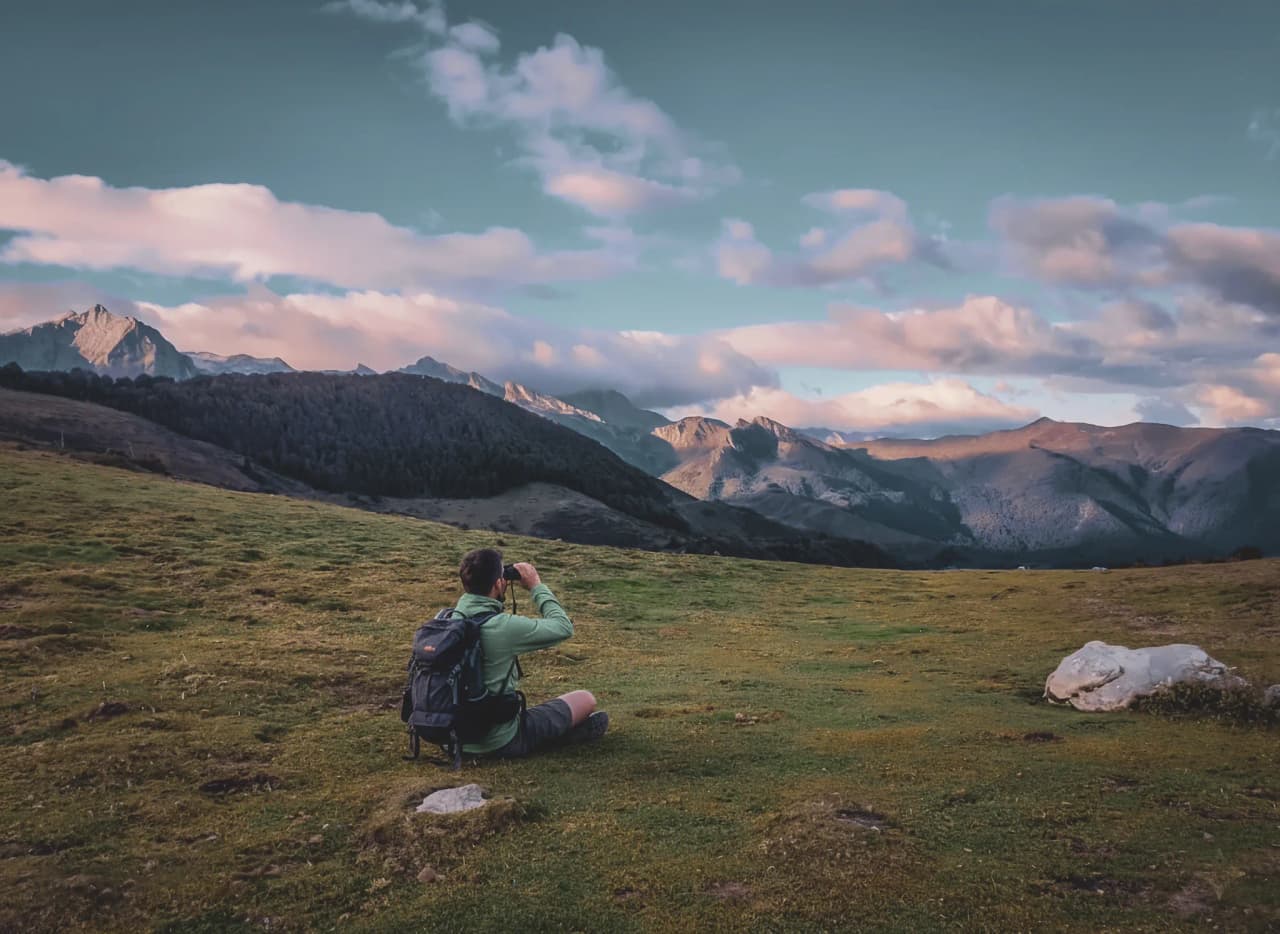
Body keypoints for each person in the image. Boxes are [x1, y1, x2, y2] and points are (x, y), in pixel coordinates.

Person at [454, 547, 608, 758]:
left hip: (451, 738)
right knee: (585, 699)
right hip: (499, 742)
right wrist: (536, 585)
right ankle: (560, 738)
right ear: (499, 583)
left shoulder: (444, 620)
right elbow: (563, 627)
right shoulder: (502, 627)